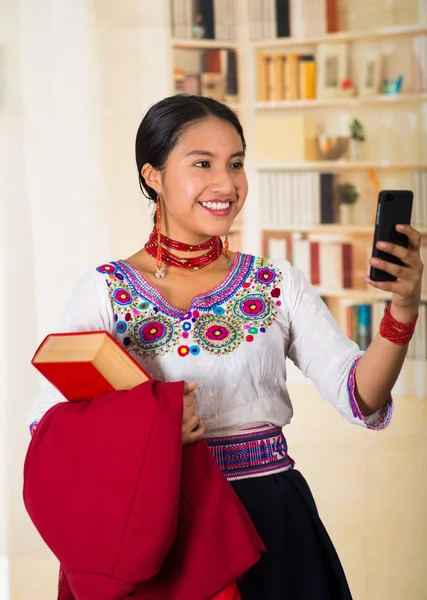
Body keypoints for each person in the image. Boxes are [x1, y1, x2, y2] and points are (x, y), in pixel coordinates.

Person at [25, 94, 423, 600]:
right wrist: (153, 426)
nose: (226, 184)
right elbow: (48, 427)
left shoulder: (276, 283)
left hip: (273, 524)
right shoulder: (104, 292)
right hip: (167, 534)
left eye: (236, 163)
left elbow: (359, 393)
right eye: (202, 164)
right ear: (153, 176)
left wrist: (404, 309)